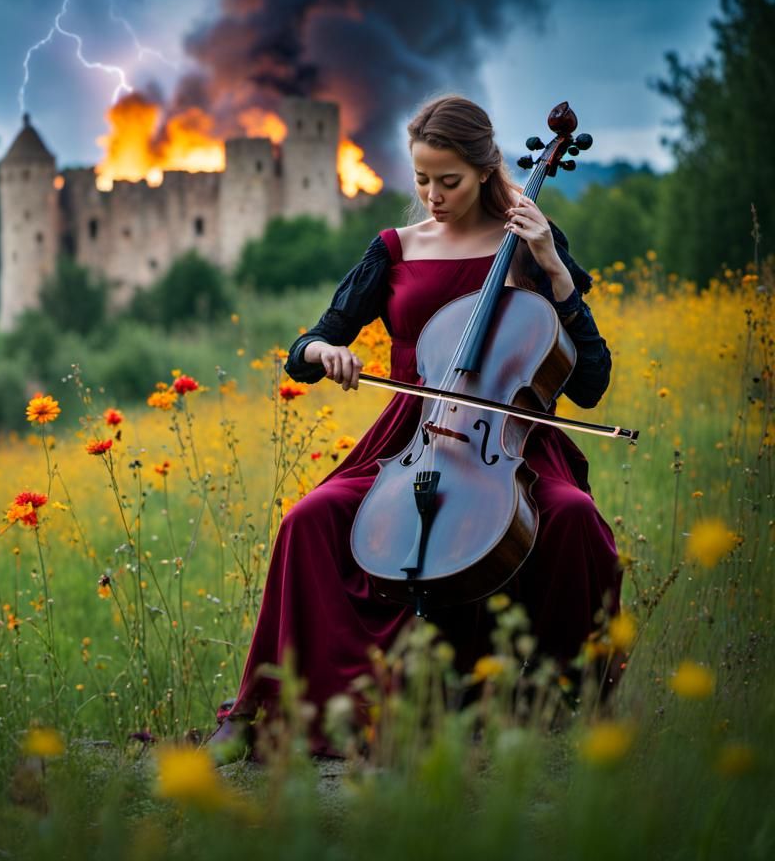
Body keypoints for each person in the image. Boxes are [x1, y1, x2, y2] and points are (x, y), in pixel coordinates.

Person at [212, 95, 621, 755]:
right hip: (410, 438)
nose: (433, 195)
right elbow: (307, 346)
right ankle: (271, 712)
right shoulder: (394, 250)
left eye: (449, 181)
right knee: (309, 519)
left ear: (487, 171)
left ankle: (560, 707)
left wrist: (549, 262)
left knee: (572, 516)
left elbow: (593, 382)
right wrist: (326, 353)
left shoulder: (529, 245)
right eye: (422, 179)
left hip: (509, 443)